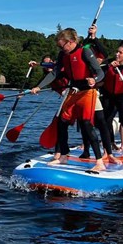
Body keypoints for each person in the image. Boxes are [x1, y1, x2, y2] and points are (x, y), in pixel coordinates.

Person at [30, 28, 107, 172]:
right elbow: (55, 72)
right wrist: (39, 86)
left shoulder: (85, 51)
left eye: (61, 45)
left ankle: (99, 161)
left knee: (86, 125)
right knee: (62, 122)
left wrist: (93, 79)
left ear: (70, 42)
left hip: (87, 91)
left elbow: (100, 72)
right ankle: (64, 155)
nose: (60, 48)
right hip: (73, 91)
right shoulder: (62, 55)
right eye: (59, 47)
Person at [79, 25, 121, 164]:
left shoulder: (107, 63)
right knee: (85, 122)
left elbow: (103, 53)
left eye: (98, 57)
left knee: (104, 123)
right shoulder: (85, 63)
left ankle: (108, 151)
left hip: (107, 96)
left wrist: (94, 36)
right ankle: (86, 149)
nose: (96, 59)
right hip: (89, 95)